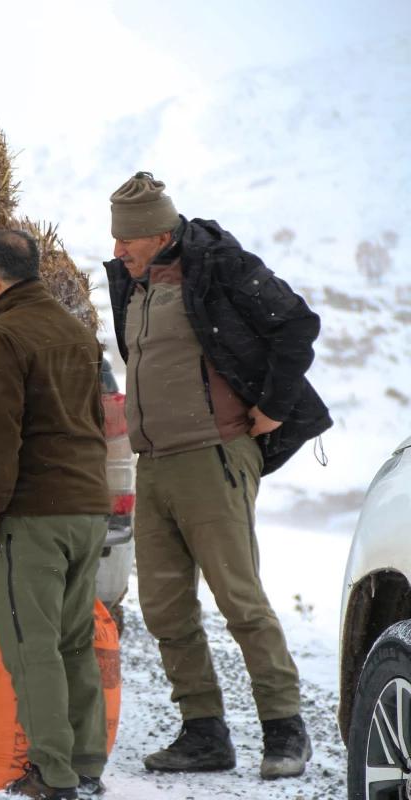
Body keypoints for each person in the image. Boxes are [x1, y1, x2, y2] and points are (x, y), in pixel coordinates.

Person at [104, 173, 331, 780]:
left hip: (213, 458)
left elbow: (297, 326)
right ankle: (203, 734)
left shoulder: (217, 263)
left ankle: (285, 730)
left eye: (127, 242)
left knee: (240, 599)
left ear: (158, 232)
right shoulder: (133, 282)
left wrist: (276, 407)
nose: (118, 252)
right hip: (152, 465)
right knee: (164, 608)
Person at [0, 229, 112, 800]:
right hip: (88, 508)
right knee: (74, 640)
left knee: (33, 644)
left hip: (35, 515)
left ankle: (52, 777)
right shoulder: (76, 332)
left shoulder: (3, 337)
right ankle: (86, 764)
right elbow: (96, 422)